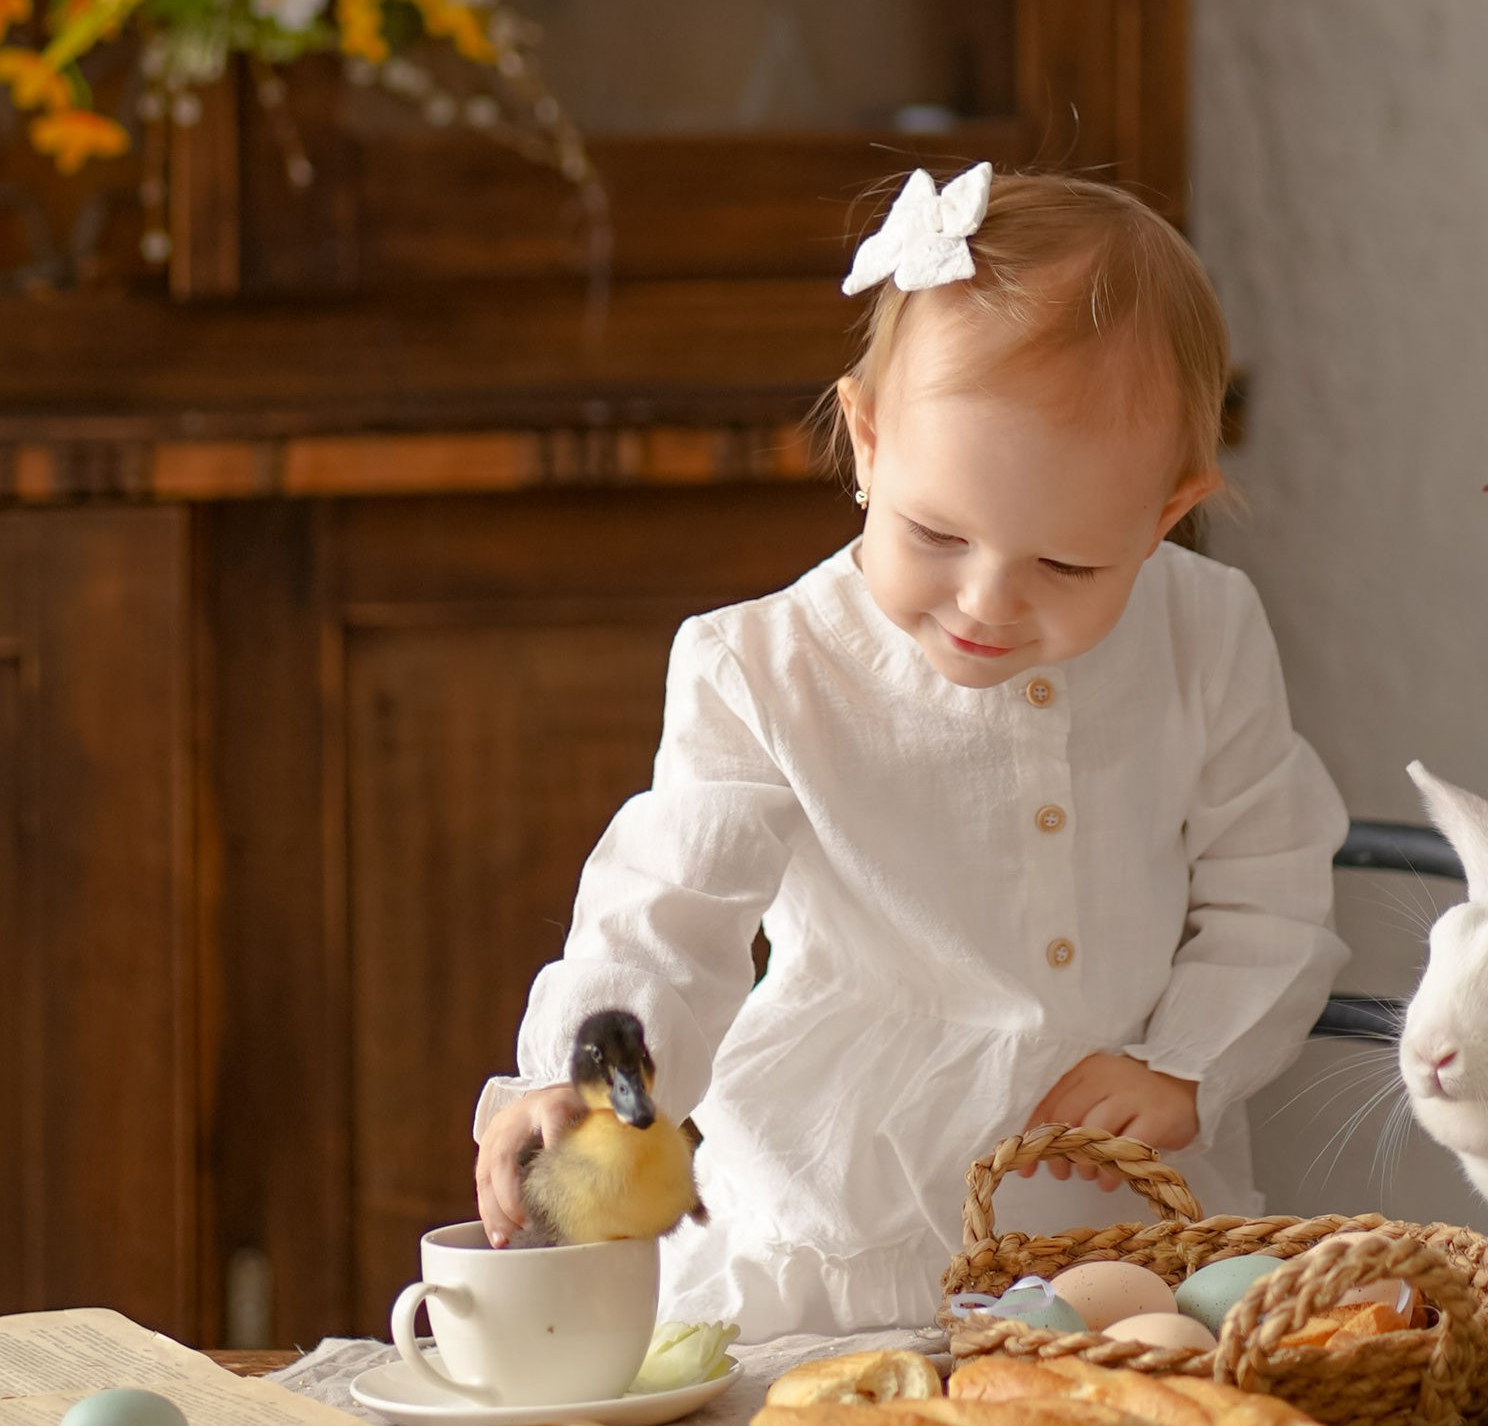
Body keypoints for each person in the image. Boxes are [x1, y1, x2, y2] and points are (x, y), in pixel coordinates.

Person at [473, 164, 1346, 1335]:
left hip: (1104, 1214)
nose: (989, 600)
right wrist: (585, 1083)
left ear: (1163, 512)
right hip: (842, 1211)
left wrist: (1187, 1062)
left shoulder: (1206, 634)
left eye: (1069, 565)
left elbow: (1274, 892)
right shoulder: (768, 666)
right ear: (867, 439)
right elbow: (667, 911)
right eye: (936, 533)